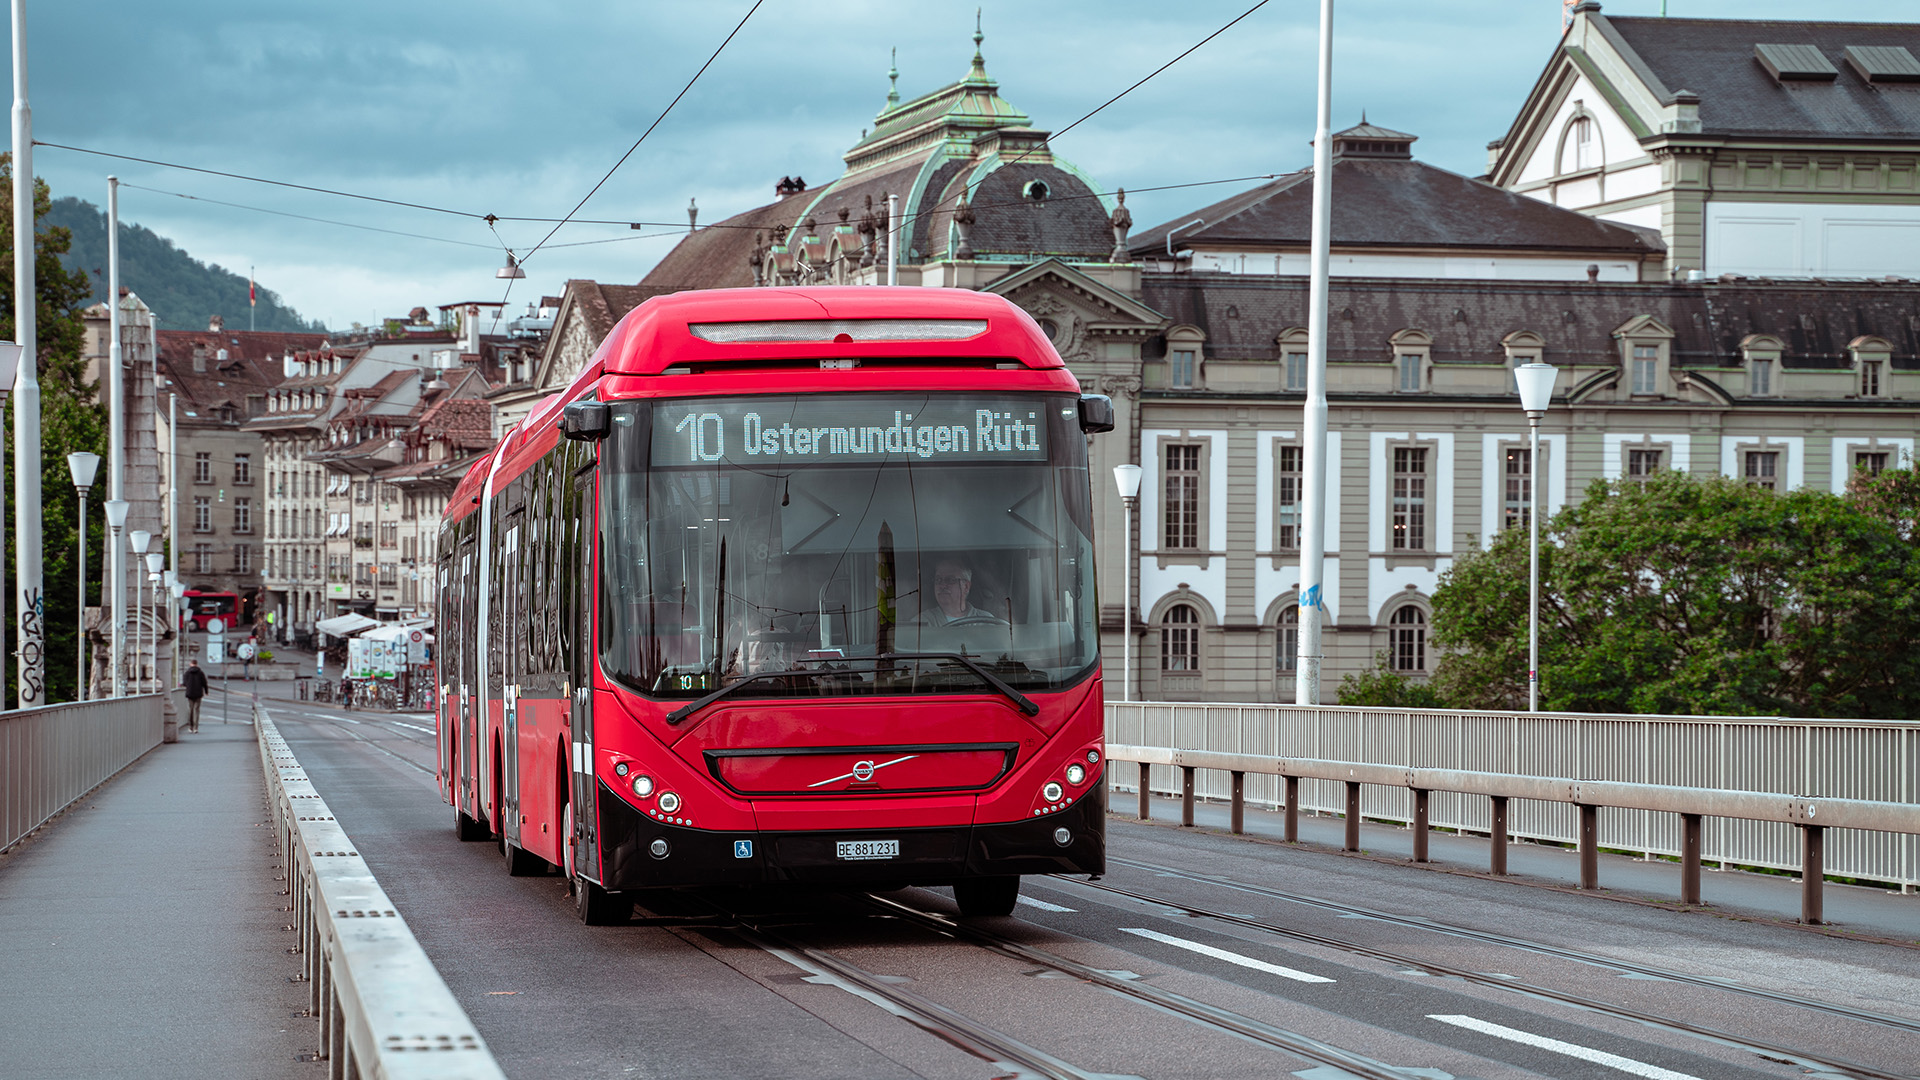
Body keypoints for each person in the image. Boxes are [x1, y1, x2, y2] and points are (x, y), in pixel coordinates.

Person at [915, 559, 1003, 626]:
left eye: (950, 580)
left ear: (966, 586)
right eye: (938, 580)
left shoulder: (986, 621)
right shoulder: (922, 621)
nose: (942, 585)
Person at [182, 658, 208, 733]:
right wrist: (206, 691)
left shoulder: (187, 673)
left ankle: (190, 727)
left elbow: (184, 683)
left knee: (190, 710)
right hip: (198, 693)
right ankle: (196, 727)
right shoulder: (200, 673)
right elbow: (204, 683)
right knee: (196, 710)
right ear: (196, 664)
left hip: (190, 693)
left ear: (190, 664)